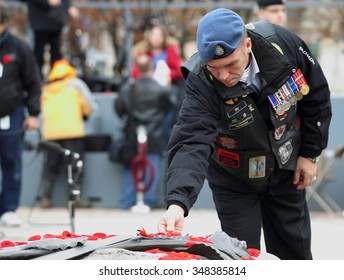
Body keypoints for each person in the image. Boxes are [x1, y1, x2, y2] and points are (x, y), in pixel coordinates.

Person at [157, 8, 332, 260]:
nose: (224, 76)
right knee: (240, 258)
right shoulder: (201, 79)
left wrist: (310, 153)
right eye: (215, 68)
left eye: (231, 65)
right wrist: (178, 203)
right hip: (233, 176)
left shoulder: (282, 45)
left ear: (247, 45)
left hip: (285, 168)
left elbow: (316, 94)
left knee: (294, 255)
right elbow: (191, 138)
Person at [115, 54, 174, 210]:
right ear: (151, 68)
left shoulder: (128, 88)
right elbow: (170, 107)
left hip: (132, 134)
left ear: (136, 69)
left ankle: (126, 202)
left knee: (131, 166)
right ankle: (148, 201)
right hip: (154, 135)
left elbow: (119, 108)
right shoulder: (160, 89)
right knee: (152, 167)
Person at [0, 4, 42, 226]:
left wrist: (33, 114)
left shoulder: (19, 48)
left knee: (11, 162)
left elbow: (34, 83)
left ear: (4, 24)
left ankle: (8, 209)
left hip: (12, 114)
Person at [39, 59, 98, 208]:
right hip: (72, 131)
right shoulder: (76, 83)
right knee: (75, 166)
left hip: (51, 133)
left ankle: (45, 199)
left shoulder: (46, 88)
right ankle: (74, 200)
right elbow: (89, 105)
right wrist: (86, 114)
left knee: (50, 167)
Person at [131, 23, 184, 144]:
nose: (156, 38)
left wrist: (169, 75)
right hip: (148, 96)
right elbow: (135, 73)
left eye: (159, 35)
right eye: (154, 35)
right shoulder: (142, 52)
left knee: (168, 121)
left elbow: (179, 70)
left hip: (167, 94)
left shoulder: (170, 51)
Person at [22, 0, 79, 80]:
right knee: (38, 54)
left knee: (56, 54)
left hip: (56, 22)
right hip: (40, 22)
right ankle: (37, 81)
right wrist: (47, 2)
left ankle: (56, 79)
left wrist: (68, 6)